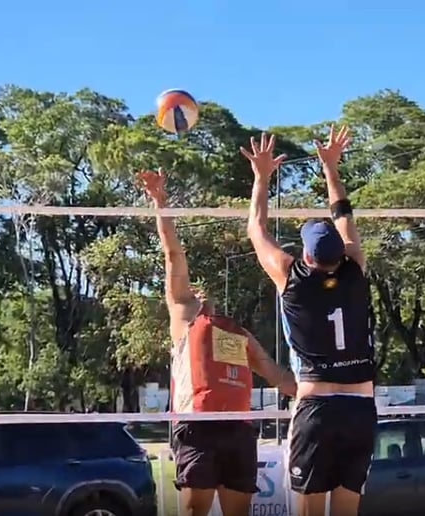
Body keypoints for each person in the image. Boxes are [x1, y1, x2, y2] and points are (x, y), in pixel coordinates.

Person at [139, 169, 297, 516]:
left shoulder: (238, 334)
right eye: (193, 291)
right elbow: (173, 255)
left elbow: (279, 377)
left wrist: (323, 392)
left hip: (238, 430)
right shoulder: (184, 316)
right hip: (198, 425)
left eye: (203, 292)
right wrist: (160, 202)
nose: (199, 293)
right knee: (194, 510)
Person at [241, 127, 377, 516]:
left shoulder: (291, 276)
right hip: (360, 406)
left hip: (317, 406)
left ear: (306, 254)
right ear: (339, 253)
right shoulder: (355, 268)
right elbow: (344, 214)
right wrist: (331, 168)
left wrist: (262, 177)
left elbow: (256, 229)